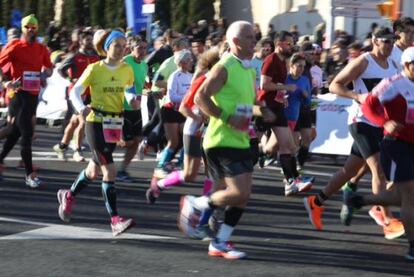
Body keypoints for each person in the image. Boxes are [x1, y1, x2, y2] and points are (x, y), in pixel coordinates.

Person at [178, 21, 276, 259]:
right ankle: (196, 203)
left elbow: (248, 103)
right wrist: (225, 116)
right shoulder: (224, 67)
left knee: (243, 195)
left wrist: (262, 111)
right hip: (220, 139)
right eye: (250, 38)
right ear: (236, 42)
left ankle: (219, 242)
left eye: (255, 38)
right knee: (238, 192)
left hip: (240, 138)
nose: (255, 42)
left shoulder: (249, 68)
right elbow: (200, 98)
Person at [304, 27, 404, 240]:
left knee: (349, 171)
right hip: (361, 121)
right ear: (375, 41)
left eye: (392, 41)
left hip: (379, 124)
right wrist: (356, 96)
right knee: (379, 170)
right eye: (385, 41)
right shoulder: (364, 61)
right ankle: (386, 220)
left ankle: (316, 201)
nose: (389, 45)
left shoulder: (393, 64)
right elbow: (334, 85)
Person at [56, 30, 137, 236]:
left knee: (93, 171)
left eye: (123, 45)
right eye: (117, 45)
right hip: (95, 121)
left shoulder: (127, 69)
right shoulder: (95, 69)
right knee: (109, 170)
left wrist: (133, 99)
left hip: (114, 122)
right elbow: (74, 91)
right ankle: (115, 221)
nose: (121, 49)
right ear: (107, 47)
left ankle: (69, 195)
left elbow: (129, 90)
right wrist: (81, 108)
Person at [345, 46, 414, 260]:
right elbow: (368, 107)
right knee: (410, 195)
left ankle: (360, 200)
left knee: (401, 195)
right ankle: (413, 247)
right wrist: (385, 121)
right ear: (406, 65)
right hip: (396, 145)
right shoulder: (393, 84)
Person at [0, 14, 53, 187]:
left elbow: (49, 69)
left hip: (32, 96)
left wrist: (45, 74)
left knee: (15, 132)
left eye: (33, 27)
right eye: (27, 27)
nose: (30, 30)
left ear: (37, 29)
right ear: (23, 29)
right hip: (17, 94)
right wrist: (7, 82)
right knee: (26, 133)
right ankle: (30, 175)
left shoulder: (41, 48)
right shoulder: (14, 46)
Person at [259, 31, 313, 196]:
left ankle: (291, 181)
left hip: (278, 107)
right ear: (279, 44)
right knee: (251, 147)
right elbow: (264, 85)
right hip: (265, 108)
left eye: (292, 43)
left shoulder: (283, 62)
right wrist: (285, 88)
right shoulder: (271, 60)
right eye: (288, 44)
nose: (291, 46)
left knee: (288, 145)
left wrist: (282, 95)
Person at [53, 30, 100, 162]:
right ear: (81, 41)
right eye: (87, 40)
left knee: (74, 122)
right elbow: (61, 69)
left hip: (91, 93)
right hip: (77, 94)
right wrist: (71, 78)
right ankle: (77, 150)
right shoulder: (75, 56)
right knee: (83, 121)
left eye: (91, 39)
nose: (90, 42)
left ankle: (62, 146)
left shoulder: (96, 56)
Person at [152, 50, 193, 178]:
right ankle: (161, 165)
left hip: (182, 110)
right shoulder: (175, 76)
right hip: (170, 110)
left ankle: (181, 163)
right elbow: (172, 96)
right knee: (173, 141)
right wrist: (187, 98)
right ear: (181, 63)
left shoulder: (190, 76)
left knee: (187, 138)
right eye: (189, 60)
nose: (191, 62)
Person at [116, 36, 148, 181]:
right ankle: (102, 157)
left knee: (136, 140)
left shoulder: (145, 65)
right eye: (139, 48)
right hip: (122, 107)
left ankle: (122, 170)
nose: (142, 51)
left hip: (137, 108)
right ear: (131, 48)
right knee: (126, 142)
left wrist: (153, 92)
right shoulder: (124, 62)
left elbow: (141, 87)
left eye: (145, 48)